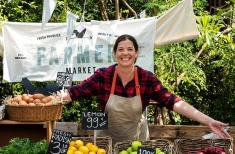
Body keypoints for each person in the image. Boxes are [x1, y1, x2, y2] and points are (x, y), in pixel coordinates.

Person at [60, 34, 230, 144]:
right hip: (105, 142)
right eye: (120, 49)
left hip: (136, 143)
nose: (125, 53)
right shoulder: (103, 76)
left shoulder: (146, 78)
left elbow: (172, 102)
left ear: (136, 53)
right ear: (114, 53)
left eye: (129, 49)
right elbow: (75, 92)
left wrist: (208, 121)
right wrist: (51, 99)